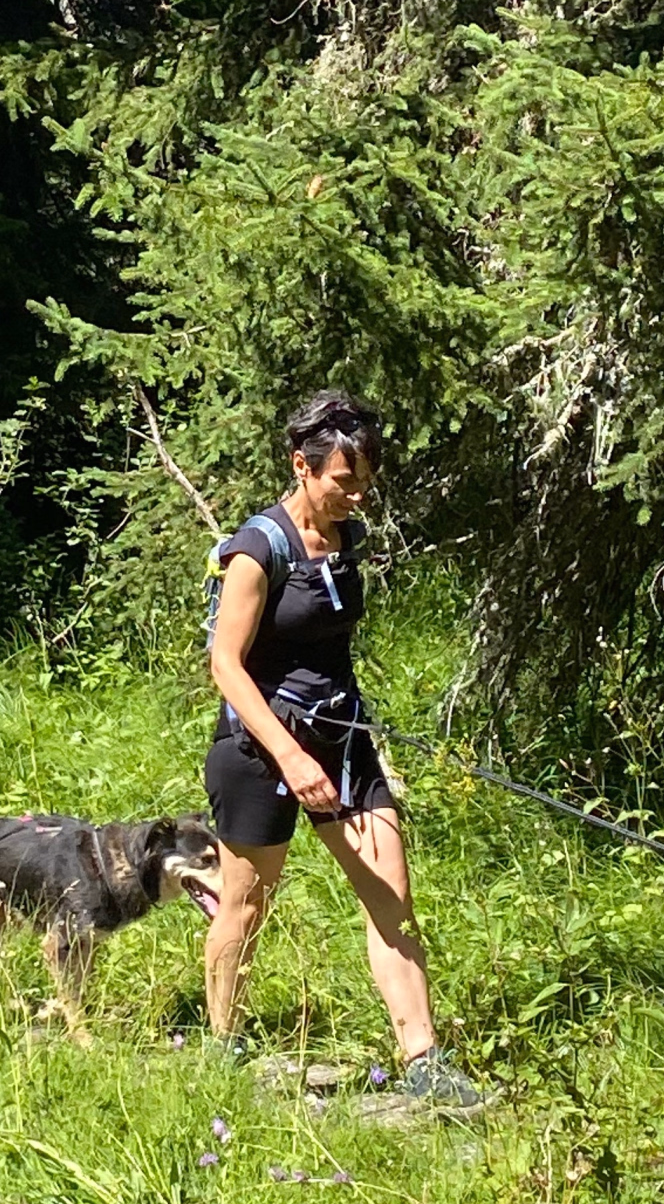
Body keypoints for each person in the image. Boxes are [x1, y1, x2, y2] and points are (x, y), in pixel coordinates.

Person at [203, 389, 485, 1111]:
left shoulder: (347, 539)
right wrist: (292, 760)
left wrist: (353, 739)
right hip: (262, 749)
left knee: (393, 896)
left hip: (343, 738)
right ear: (303, 466)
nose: (356, 494)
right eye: (343, 479)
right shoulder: (258, 548)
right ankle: (220, 1043)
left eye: (364, 481)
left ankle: (421, 1057)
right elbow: (225, 665)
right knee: (245, 903)